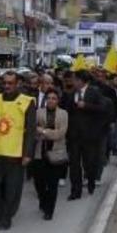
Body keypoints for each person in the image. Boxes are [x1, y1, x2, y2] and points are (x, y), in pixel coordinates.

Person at [0, 71, 36, 230]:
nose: (7, 86)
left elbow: (31, 129)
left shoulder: (27, 102)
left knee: (12, 188)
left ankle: (6, 217)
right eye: (5, 83)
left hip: (15, 152)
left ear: (17, 84)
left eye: (10, 83)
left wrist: (28, 153)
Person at [67, 70, 107, 199]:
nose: (72, 82)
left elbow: (102, 108)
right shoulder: (71, 93)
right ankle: (75, 191)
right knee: (74, 164)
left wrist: (86, 106)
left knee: (89, 162)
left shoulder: (94, 92)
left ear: (81, 81)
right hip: (74, 136)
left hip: (89, 135)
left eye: (74, 79)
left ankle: (90, 182)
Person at [31, 88, 68, 220]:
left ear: (58, 101)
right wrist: (42, 132)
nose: (51, 101)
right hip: (39, 152)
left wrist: (44, 132)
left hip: (56, 153)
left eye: (54, 98)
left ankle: (49, 211)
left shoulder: (63, 114)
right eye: (49, 98)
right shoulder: (38, 112)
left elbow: (60, 134)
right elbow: (33, 130)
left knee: (52, 184)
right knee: (39, 182)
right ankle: (43, 200)